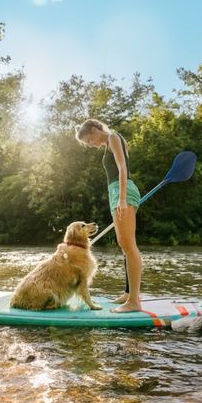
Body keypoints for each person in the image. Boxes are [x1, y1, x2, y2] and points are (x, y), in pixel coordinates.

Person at [75, 118, 142, 313]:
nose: (91, 144)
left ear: (95, 129)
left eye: (89, 140)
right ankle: (130, 294)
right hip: (117, 192)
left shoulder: (113, 137)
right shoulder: (111, 143)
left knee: (129, 245)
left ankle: (134, 302)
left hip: (122, 192)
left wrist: (121, 199)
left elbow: (122, 168)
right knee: (124, 244)